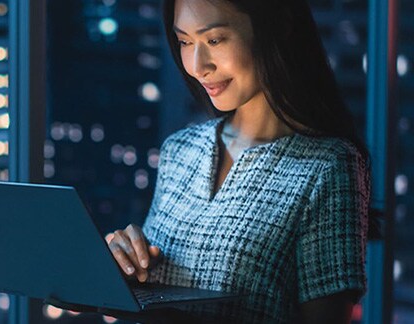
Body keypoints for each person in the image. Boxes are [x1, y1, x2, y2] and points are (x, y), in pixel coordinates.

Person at [106, 0, 371, 323]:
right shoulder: (180, 150)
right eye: (185, 42)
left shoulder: (328, 165)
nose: (198, 65)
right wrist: (124, 268)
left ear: (276, 27)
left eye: (214, 40)